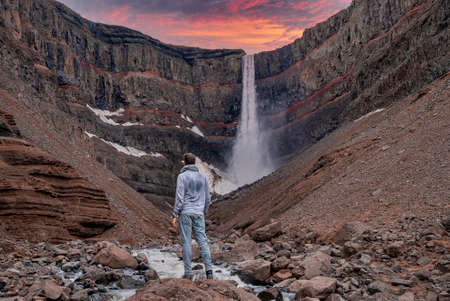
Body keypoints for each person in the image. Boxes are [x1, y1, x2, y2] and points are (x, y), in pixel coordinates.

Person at [172, 153, 213, 280]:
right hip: (199, 213)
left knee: (186, 242)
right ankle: (209, 272)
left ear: (185, 163)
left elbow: (179, 198)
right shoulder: (202, 177)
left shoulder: (182, 176)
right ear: (194, 163)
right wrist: (204, 211)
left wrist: (175, 215)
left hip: (185, 213)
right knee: (203, 241)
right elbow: (208, 198)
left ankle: (188, 273)